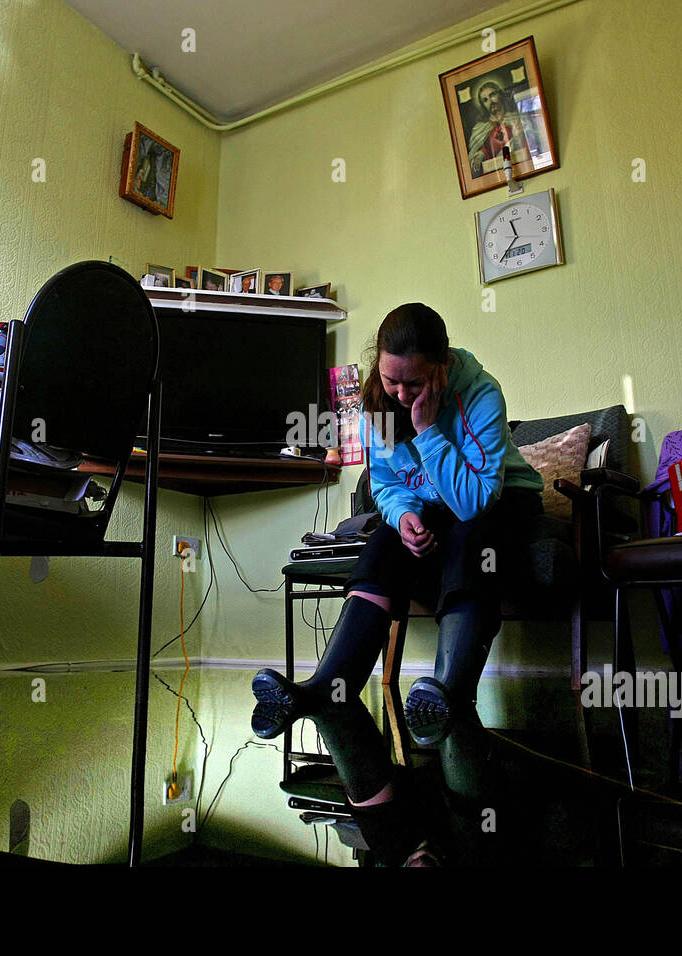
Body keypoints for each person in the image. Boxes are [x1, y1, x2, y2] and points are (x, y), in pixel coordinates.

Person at [251, 303, 543, 866]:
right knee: (384, 539)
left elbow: (476, 498)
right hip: (433, 511)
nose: (402, 394)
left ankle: (449, 691)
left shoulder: (480, 393)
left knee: (469, 531)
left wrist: (431, 431)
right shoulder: (379, 407)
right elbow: (384, 485)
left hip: (497, 507)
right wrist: (405, 515)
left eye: (414, 382)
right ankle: (325, 686)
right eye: (391, 381)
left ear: (442, 366)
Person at [467, 79, 526, 177]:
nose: (490, 101)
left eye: (492, 95)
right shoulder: (481, 128)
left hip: (521, 168)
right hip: (495, 174)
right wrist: (482, 153)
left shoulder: (515, 117)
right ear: (483, 105)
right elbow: (485, 149)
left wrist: (518, 137)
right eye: (485, 100)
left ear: (500, 94)